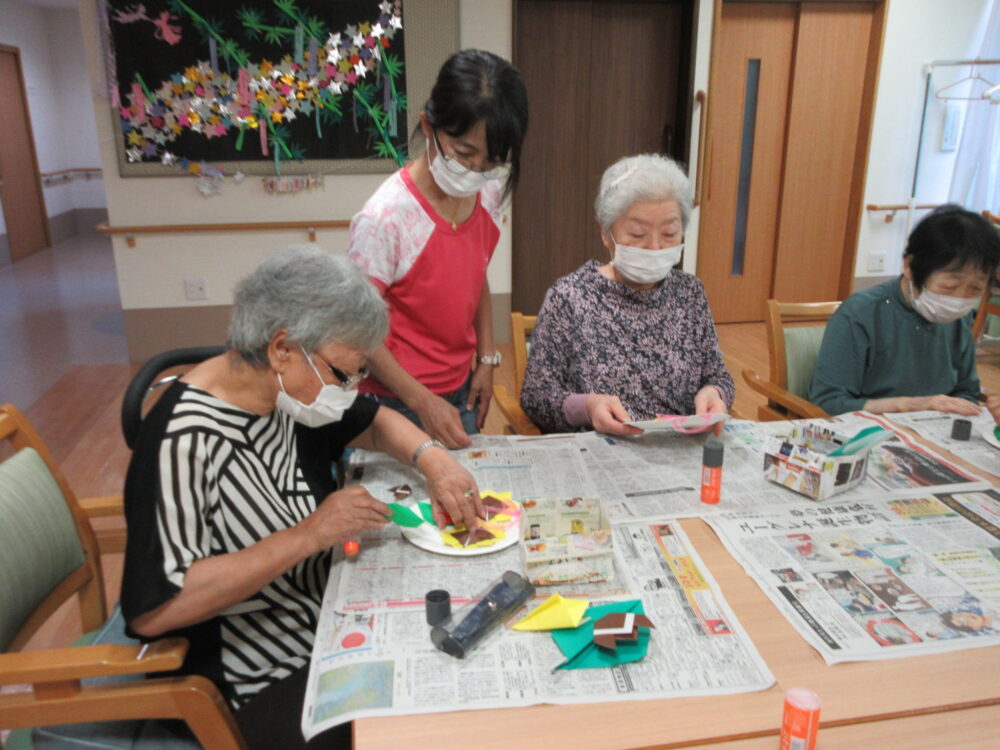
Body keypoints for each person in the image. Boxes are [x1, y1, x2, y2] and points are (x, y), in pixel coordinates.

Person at [120, 247, 483, 749]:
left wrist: (431, 457)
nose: (351, 388)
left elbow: (373, 422)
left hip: (325, 615)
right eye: (343, 374)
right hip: (252, 672)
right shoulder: (183, 442)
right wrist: (310, 534)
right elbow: (157, 607)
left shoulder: (284, 394)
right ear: (282, 349)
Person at [347, 49, 529, 448]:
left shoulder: (489, 195)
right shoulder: (385, 218)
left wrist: (486, 360)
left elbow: (475, 274)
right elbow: (358, 331)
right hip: (392, 398)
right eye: (464, 153)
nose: (474, 172)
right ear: (428, 126)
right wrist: (421, 402)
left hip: (460, 389)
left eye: (491, 161)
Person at [519, 154, 734, 435]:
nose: (655, 247)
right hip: (602, 456)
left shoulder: (689, 293)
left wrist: (714, 393)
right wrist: (589, 407)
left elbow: (717, 373)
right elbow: (536, 396)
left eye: (669, 233)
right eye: (637, 234)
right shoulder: (569, 297)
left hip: (680, 453)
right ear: (606, 234)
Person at [809, 205, 1000, 416]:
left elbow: (966, 391)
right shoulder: (861, 313)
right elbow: (829, 402)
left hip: (934, 431)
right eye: (948, 287)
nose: (958, 300)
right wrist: (912, 405)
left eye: (975, 289)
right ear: (909, 266)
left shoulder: (959, 318)